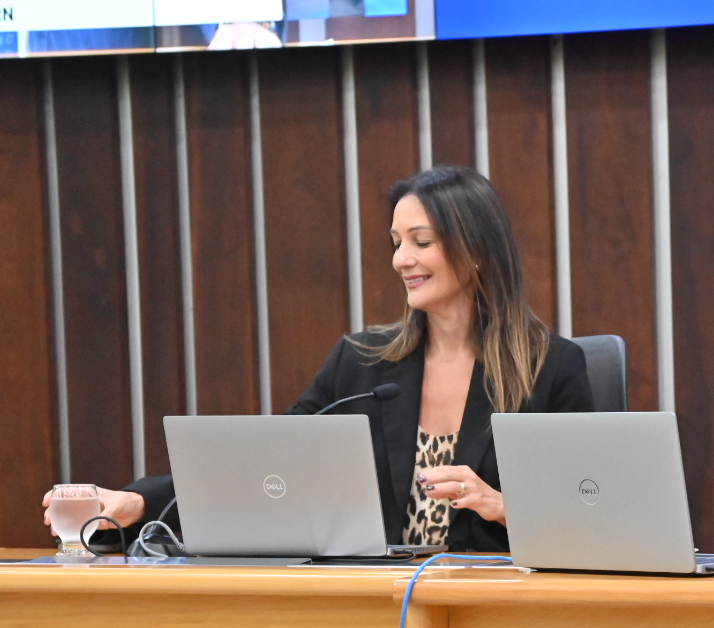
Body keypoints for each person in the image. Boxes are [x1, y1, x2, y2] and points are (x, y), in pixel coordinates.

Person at [44, 165, 594, 552]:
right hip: (365, 603)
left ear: (476, 251)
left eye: (420, 242)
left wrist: (501, 504)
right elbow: (267, 468)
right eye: (396, 242)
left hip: (500, 607)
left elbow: (589, 511)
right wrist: (139, 501)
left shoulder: (551, 369)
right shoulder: (361, 364)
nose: (401, 260)